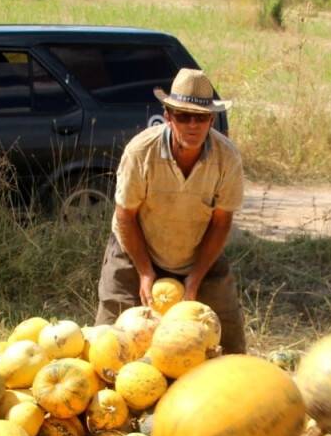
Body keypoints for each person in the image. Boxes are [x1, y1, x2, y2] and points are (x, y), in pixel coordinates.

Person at [95, 68, 247, 353]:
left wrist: (195, 279)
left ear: (211, 120)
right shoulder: (141, 152)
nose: (192, 125)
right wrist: (144, 272)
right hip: (135, 247)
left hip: (196, 249)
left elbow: (221, 222)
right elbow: (126, 216)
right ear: (167, 117)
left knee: (226, 336)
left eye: (200, 117)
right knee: (112, 338)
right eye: (183, 116)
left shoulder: (227, 157)